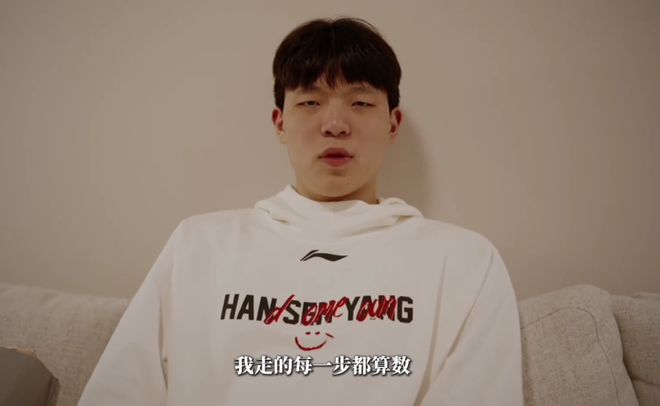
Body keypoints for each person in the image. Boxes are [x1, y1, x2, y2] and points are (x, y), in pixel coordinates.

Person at [78, 17, 523, 406]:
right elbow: (120, 392)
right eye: (310, 102)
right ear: (280, 123)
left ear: (393, 123)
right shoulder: (200, 245)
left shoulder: (463, 261)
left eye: (361, 102)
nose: (335, 124)